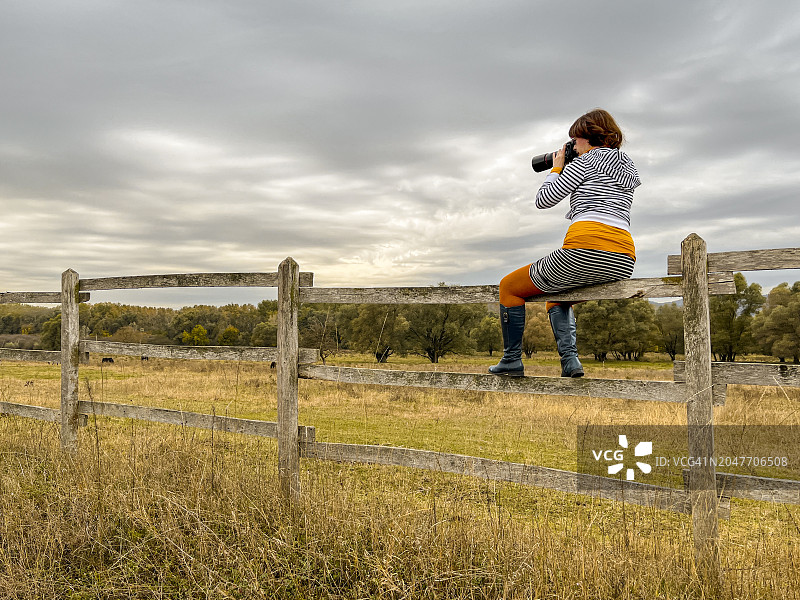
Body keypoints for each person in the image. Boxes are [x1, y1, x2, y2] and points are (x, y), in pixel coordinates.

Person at [489, 108, 640, 378]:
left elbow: (543, 199)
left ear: (589, 137)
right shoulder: (628, 166)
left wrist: (558, 167)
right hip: (623, 258)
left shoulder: (585, 163)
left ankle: (511, 361)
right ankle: (571, 363)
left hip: (585, 250)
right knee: (557, 299)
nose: (572, 146)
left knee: (509, 287)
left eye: (574, 140)